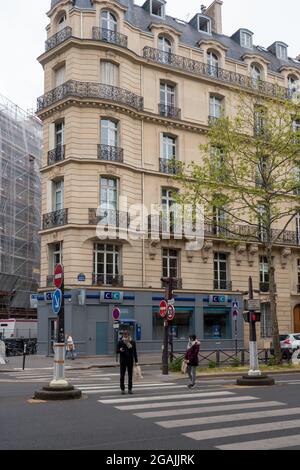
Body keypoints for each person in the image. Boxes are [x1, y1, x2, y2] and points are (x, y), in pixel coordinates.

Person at [117, 330, 138, 395]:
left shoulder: (132, 342)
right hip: (123, 361)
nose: (125, 336)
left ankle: (130, 389)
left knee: (130, 376)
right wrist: (120, 350)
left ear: (129, 335)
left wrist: (136, 360)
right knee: (122, 376)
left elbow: (134, 351)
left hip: (130, 361)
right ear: (123, 335)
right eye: (124, 334)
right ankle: (122, 389)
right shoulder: (120, 342)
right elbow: (116, 351)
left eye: (126, 334)